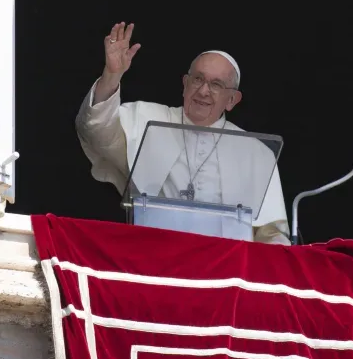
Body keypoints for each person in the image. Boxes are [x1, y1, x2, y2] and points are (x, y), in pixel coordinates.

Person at [75, 22, 290, 245]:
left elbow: (272, 235)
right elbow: (96, 131)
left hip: (228, 269)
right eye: (198, 79)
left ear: (232, 100)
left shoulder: (255, 152)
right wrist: (111, 75)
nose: (204, 91)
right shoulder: (148, 119)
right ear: (185, 84)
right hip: (156, 255)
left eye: (216, 85)